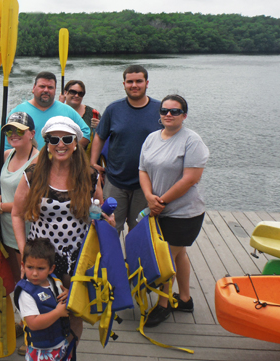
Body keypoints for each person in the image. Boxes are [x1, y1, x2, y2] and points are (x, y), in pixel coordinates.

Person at [12, 116, 113, 341]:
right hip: (42, 256)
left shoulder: (90, 175)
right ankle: (43, 346)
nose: (60, 144)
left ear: (76, 143)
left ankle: (69, 351)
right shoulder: (33, 174)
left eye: (67, 139)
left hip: (78, 255)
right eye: (53, 139)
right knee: (42, 305)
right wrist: (23, 253)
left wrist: (107, 219)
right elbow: (17, 214)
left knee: (74, 308)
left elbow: (98, 211)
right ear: (46, 142)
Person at [138, 95, 209, 328]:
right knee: (178, 255)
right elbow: (143, 170)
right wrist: (149, 197)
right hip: (159, 210)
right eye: (165, 110)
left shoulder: (192, 141)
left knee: (165, 259)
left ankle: (163, 305)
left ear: (184, 115)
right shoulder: (151, 138)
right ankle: (185, 299)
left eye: (175, 111)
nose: (169, 114)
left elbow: (191, 179)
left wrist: (160, 202)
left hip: (184, 213)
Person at [89, 64, 161, 233]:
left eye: (138, 81)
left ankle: (136, 260)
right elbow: (100, 136)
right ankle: (111, 259)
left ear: (147, 83)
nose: (134, 85)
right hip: (115, 181)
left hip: (146, 185)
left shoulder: (159, 110)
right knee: (110, 226)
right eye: (130, 81)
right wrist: (93, 162)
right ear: (124, 84)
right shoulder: (114, 109)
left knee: (140, 230)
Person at [0, 112, 39, 282]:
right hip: (5, 230)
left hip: (28, 232)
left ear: (32, 134)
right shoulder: (7, 155)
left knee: (29, 281)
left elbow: (33, 203)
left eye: (19, 131)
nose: (13, 135)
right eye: (9, 131)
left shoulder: (38, 161)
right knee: (15, 280)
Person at [14, 238, 73, 361]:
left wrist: (68, 294)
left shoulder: (55, 283)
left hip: (61, 345)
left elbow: (65, 303)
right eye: (30, 267)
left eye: (41, 268)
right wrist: (57, 313)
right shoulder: (25, 293)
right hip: (40, 352)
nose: (35, 273)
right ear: (23, 266)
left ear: (51, 269)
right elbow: (33, 324)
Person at [4, 72, 91, 150]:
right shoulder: (17, 112)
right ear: (34, 88)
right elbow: (4, 143)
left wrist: (68, 151)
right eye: (42, 86)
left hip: (58, 164)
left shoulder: (67, 110)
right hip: (28, 164)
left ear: (55, 90)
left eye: (50, 87)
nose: (46, 90)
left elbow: (86, 133)